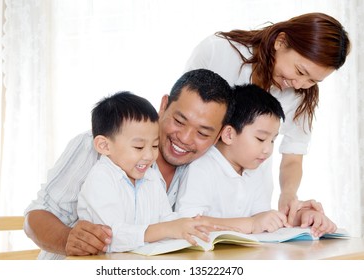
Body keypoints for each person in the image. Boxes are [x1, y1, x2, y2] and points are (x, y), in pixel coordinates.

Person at [24, 69, 234, 258]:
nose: (186, 138)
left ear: (217, 137)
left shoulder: (201, 169)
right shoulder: (97, 146)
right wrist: (68, 239)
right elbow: (35, 216)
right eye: (179, 121)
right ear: (164, 106)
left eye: (203, 132)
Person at [184, 12, 351, 224]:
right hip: (199, 197)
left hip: (251, 203)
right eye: (300, 71)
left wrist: (289, 198)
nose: (300, 85)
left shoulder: (301, 94)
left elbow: (293, 156)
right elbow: (181, 118)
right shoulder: (219, 52)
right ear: (281, 42)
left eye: (312, 80)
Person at [175, 84, 337, 237]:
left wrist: (302, 217)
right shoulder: (201, 168)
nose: (268, 149)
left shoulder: (255, 169)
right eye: (261, 139)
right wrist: (251, 224)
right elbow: (188, 224)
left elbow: (263, 219)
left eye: (273, 140)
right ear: (229, 134)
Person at [76, 91, 212, 256]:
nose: (149, 156)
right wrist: (166, 229)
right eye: (139, 147)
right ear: (104, 146)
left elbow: (165, 218)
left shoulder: (151, 176)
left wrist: (185, 225)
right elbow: (110, 236)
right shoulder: (101, 179)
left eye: (154, 146)